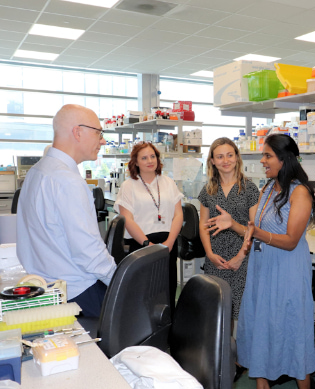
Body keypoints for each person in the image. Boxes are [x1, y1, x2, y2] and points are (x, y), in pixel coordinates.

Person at [237, 134, 315, 389]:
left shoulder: (300, 192)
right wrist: (236, 226)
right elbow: (255, 228)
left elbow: (291, 240)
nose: (262, 160)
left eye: (267, 156)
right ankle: (263, 386)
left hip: (288, 268)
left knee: (292, 325)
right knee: (260, 321)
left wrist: (257, 233)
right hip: (262, 266)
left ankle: (304, 388)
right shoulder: (268, 188)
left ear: (284, 160)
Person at [16, 104, 116, 317]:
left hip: (44, 290)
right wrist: (120, 282)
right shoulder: (68, 181)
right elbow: (89, 254)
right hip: (79, 293)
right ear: (77, 132)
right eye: (98, 132)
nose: (102, 140)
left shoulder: (36, 172)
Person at [114, 142, 183, 315]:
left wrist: (170, 242)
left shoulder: (168, 182)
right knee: (144, 293)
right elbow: (127, 219)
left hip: (168, 244)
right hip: (141, 245)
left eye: (153, 156)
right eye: (144, 158)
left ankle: (168, 336)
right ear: (136, 162)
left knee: (167, 291)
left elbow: (178, 215)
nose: (150, 161)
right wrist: (147, 244)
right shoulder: (128, 186)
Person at [198, 137, 259, 327]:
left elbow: (254, 229)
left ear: (237, 157)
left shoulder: (249, 189)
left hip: (242, 258)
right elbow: (203, 225)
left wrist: (240, 256)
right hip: (216, 258)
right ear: (212, 161)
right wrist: (209, 254)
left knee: (243, 314)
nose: (226, 160)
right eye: (220, 157)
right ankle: (222, 355)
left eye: (230, 155)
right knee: (218, 313)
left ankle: (241, 356)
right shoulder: (208, 190)